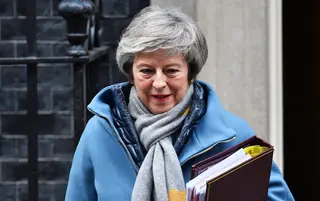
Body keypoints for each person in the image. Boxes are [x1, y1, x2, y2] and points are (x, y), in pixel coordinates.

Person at [65, 5, 294, 201]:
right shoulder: (99, 133)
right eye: (146, 71)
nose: (159, 83)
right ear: (131, 74)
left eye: (171, 70)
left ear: (191, 73)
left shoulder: (234, 136)